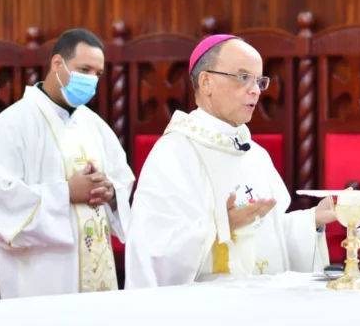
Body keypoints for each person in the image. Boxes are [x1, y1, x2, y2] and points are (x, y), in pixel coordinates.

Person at [124, 34, 336, 288]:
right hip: (208, 312)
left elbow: (271, 235)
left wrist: (313, 219)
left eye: (259, 80)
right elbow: (154, 249)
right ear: (206, 82)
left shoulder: (254, 153)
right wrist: (222, 225)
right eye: (243, 77)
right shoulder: (174, 153)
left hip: (264, 306)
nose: (255, 89)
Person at [0, 28, 135, 300]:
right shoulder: (11, 125)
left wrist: (111, 194)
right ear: (57, 64)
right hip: (37, 279)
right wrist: (67, 193)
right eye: (84, 69)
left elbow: (122, 180)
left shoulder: (95, 126)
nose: (92, 80)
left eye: (98, 73)